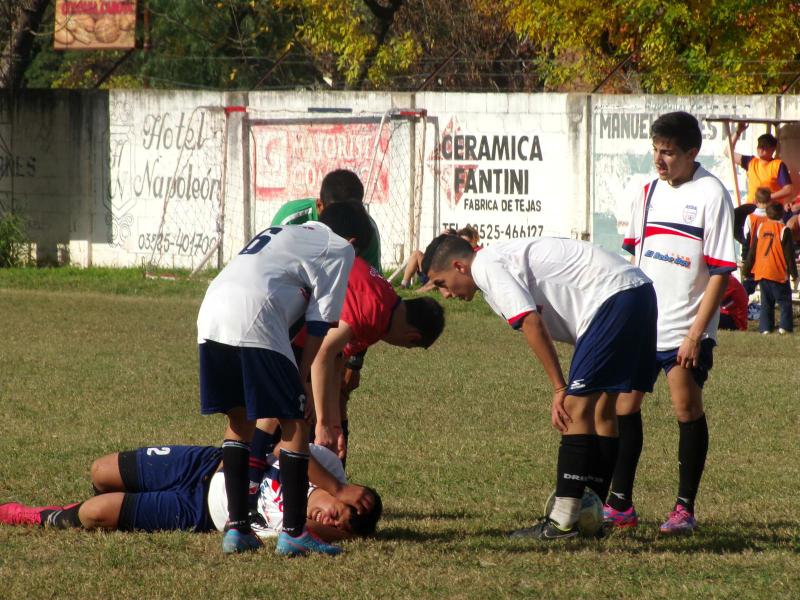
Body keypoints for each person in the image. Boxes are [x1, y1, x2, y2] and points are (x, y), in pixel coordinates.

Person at [421, 234, 657, 540]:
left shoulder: (486, 265)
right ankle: (590, 515)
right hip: (637, 291)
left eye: (441, 283)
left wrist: (560, 388)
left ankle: (562, 522)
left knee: (574, 408)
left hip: (613, 297)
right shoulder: (499, 259)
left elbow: (531, 322)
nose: (445, 294)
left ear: (459, 266)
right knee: (602, 409)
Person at [196, 201, 372, 555]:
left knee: (239, 418)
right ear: (352, 241)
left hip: (212, 311)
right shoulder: (339, 249)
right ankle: (293, 533)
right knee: (294, 423)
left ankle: (237, 529)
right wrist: (301, 378)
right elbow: (321, 323)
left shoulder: (288, 232)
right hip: (256, 314)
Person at [606, 111, 736, 535]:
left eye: (669, 153)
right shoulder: (646, 191)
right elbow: (635, 258)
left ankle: (684, 509)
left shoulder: (711, 193)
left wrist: (697, 333)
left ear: (692, 153)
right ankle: (621, 503)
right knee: (625, 407)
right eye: (656, 151)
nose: (659, 161)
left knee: (686, 408)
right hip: (643, 323)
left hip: (686, 326)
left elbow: (720, 271)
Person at [0, 441, 382, 546]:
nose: (330, 519)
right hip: (206, 464)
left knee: (94, 515)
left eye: (341, 527)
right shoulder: (329, 468)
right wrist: (336, 486)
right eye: (340, 511)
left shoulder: (301, 534)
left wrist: (325, 533)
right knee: (100, 471)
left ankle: (38, 514)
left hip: (199, 511)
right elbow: (284, 446)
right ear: (345, 494)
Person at [271, 169, 382, 272]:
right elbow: (272, 270)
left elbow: (371, 284)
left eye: (352, 211)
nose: (345, 220)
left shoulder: (367, 229)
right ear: (319, 206)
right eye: (336, 213)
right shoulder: (290, 220)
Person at [743, 202, 798, 334]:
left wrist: (746, 269)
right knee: (784, 301)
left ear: (767, 214)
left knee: (766, 301)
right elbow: (789, 255)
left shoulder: (761, 228)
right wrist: (794, 274)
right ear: (782, 214)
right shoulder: (784, 230)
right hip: (777, 271)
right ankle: (784, 327)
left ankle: (765, 328)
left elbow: (753, 251)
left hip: (762, 271)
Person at [726, 123, 794, 205]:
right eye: (759, 146)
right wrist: (738, 132)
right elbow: (727, 152)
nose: (760, 149)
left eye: (764, 146)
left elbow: (789, 189)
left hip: (770, 211)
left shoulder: (778, 165)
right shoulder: (751, 161)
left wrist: (768, 197)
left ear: (772, 150)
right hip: (752, 209)